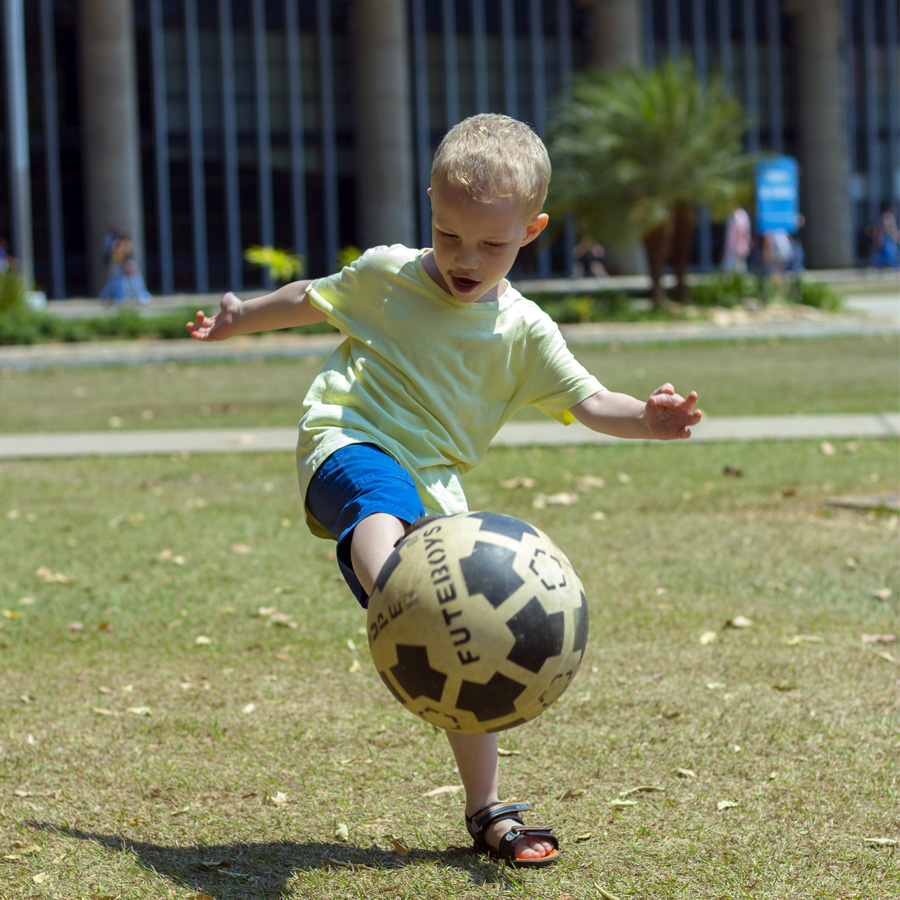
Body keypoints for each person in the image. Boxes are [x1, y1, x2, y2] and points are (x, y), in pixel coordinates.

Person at [186, 114, 702, 868]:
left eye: (492, 244)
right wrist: (240, 320)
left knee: (475, 666)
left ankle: (485, 808)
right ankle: (396, 587)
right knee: (383, 511)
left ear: (533, 230)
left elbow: (589, 403)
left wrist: (649, 422)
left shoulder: (525, 332)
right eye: (448, 234)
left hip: (438, 486)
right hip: (349, 439)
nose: (464, 258)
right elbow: (310, 298)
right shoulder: (388, 274)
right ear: (429, 203)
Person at [100, 232, 151, 305]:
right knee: (120, 281)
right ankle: (119, 297)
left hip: (131, 283)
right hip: (119, 284)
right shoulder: (116, 253)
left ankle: (139, 296)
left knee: (134, 276)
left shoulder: (131, 253)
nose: (127, 245)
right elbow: (112, 265)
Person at [866, 204, 900, 270]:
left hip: (888, 238)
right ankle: (894, 266)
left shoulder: (886, 216)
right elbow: (888, 229)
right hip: (887, 238)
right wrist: (895, 235)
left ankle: (877, 265)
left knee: (886, 253)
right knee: (891, 252)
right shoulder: (887, 216)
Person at [721, 206, 751, 273]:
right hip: (733, 247)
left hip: (736, 247)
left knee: (736, 269)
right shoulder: (734, 214)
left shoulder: (739, 214)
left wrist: (739, 244)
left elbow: (742, 230)